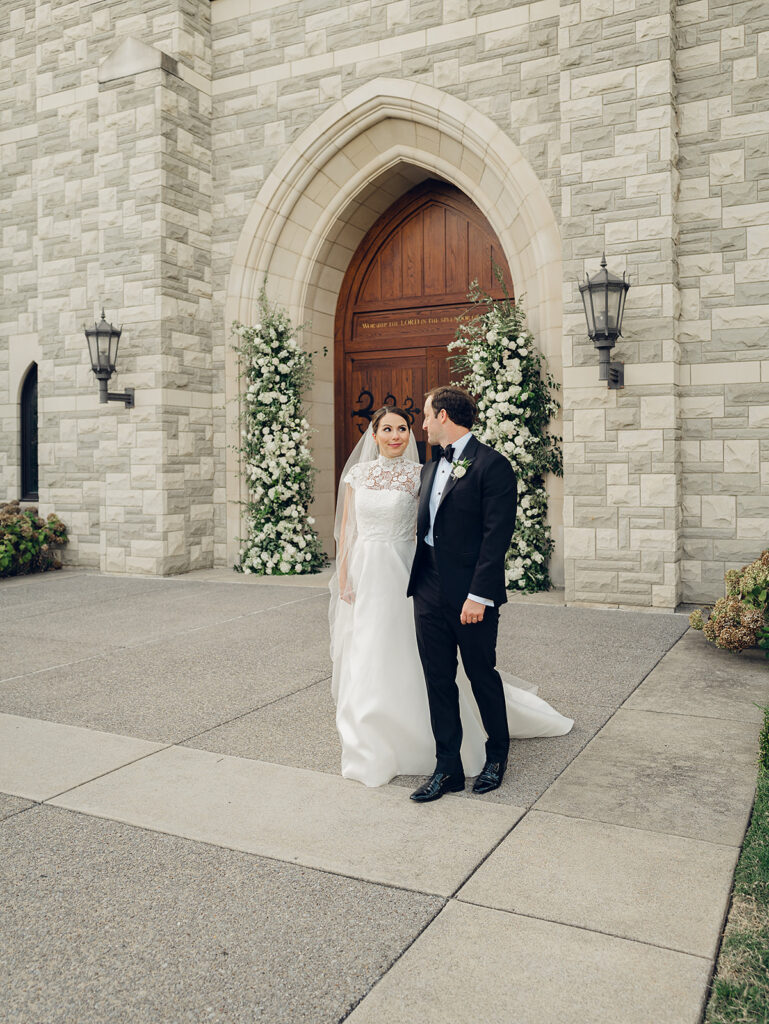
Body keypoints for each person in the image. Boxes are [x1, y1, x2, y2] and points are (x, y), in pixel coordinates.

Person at [329, 399, 572, 792]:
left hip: (467, 592)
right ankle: (447, 768)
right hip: (420, 585)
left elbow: (496, 539)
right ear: (373, 436)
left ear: (441, 416)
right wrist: (348, 577)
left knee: (479, 674)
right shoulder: (429, 468)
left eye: (419, 419)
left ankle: (496, 757)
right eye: (391, 428)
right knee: (437, 676)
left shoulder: (492, 465)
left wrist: (478, 594)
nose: (416, 428)